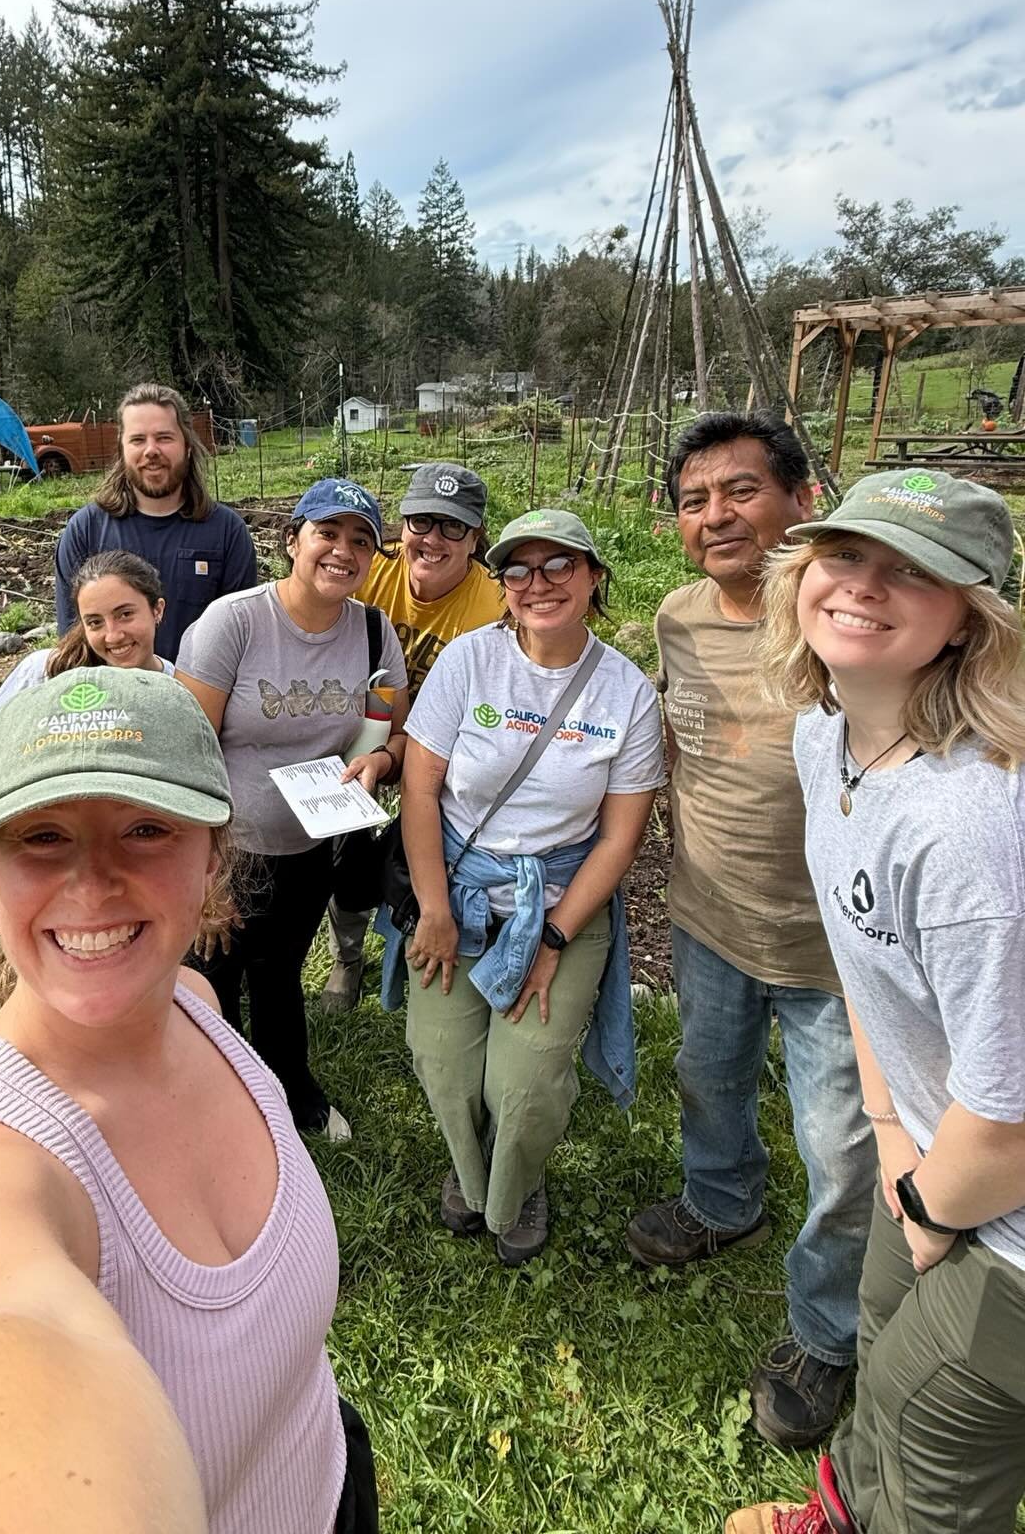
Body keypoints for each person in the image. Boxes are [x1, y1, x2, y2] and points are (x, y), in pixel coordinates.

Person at [0, 670, 379, 1534]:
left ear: (213, 853)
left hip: (329, 1474)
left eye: (144, 828)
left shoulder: (199, 1012)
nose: (93, 883)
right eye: (43, 836)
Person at [728, 469, 1025, 1534]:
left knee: (937, 1442)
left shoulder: (970, 828)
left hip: (1008, 1211)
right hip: (940, 1149)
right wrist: (895, 1134)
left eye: (914, 572)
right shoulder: (829, 735)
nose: (862, 586)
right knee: (881, 1360)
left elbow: (1013, 1116)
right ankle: (842, 1512)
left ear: (969, 620)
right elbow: (864, 959)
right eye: (846, 555)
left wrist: (935, 1207)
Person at [624, 412, 874, 1448]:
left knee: (844, 1148)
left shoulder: (853, 618)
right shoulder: (678, 618)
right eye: (695, 499)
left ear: (802, 500)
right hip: (713, 915)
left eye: (741, 491)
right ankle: (722, 1200)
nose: (716, 515)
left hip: (839, 950)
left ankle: (827, 1328)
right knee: (709, 1073)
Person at [380, 507, 664, 1265]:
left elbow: (620, 837)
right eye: (518, 570)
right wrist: (433, 908)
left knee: (527, 1077)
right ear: (501, 585)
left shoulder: (626, 693)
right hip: (460, 889)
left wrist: (553, 937)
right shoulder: (470, 663)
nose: (538, 584)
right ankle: (470, 1173)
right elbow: (420, 790)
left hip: (563, 900)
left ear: (594, 576)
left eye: (558, 565)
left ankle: (516, 1184)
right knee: (441, 1059)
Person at [175, 479, 408, 1141]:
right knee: (209, 980)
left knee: (278, 973)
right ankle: (207, 1108)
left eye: (361, 540)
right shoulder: (236, 622)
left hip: (311, 847)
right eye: (328, 533)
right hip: (223, 850)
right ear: (292, 541)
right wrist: (198, 859)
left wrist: (381, 763)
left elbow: (390, 725)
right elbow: (187, 748)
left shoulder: (370, 630)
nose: (344, 550)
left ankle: (288, 1087)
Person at [320, 462, 501, 1013]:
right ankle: (346, 956)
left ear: (475, 538)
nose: (434, 539)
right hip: (365, 735)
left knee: (424, 856)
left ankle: (431, 954)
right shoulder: (372, 573)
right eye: (422, 521)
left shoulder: (495, 603)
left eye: (453, 527)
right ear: (401, 525)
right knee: (345, 858)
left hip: (448, 753)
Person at [53, 382, 257, 663]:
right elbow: (73, 639)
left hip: (198, 700)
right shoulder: (85, 531)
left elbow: (239, 640)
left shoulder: (227, 533)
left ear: (187, 446)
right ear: (122, 450)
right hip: (112, 700)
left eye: (164, 438)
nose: (151, 450)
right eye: (138, 440)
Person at [0, 550, 173, 728]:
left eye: (125, 614)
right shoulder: (44, 671)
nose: (113, 636)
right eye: (95, 622)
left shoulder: (177, 689)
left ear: (157, 610)